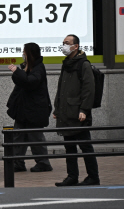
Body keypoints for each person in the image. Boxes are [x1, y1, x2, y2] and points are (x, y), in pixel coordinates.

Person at [53, 34, 99, 187]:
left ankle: (93, 177)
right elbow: (61, 88)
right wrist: (57, 108)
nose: (64, 46)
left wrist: (84, 109)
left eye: (67, 43)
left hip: (78, 113)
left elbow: (89, 89)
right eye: (63, 43)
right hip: (66, 112)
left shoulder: (83, 64)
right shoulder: (67, 63)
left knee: (85, 146)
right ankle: (72, 176)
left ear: (76, 46)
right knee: (69, 147)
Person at [6, 43, 53, 173]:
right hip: (23, 109)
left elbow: (30, 82)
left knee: (35, 137)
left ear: (30, 54)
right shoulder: (27, 67)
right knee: (18, 136)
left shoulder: (38, 68)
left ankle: (43, 163)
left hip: (34, 110)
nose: (23, 54)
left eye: (24, 52)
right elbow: (22, 83)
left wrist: (17, 72)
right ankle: (18, 162)